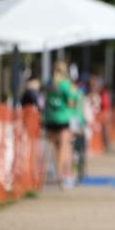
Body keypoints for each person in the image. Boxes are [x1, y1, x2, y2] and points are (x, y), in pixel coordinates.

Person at [44, 61, 78, 190]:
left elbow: (46, 99)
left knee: (54, 148)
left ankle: (53, 177)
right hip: (63, 119)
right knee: (64, 148)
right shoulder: (65, 84)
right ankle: (61, 176)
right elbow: (70, 102)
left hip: (50, 119)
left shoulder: (49, 83)